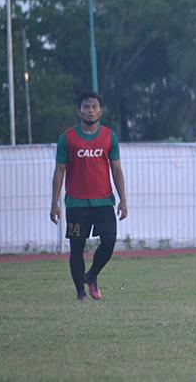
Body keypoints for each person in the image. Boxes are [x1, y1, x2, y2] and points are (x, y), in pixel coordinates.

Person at [50, 92, 128, 301]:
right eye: (86, 107)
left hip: (104, 202)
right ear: (79, 111)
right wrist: (55, 203)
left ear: (101, 111)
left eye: (94, 107)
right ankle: (80, 294)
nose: (90, 110)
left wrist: (123, 199)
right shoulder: (67, 138)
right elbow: (59, 171)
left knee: (109, 240)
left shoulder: (109, 137)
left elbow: (117, 170)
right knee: (77, 247)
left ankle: (91, 275)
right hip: (76, 205)